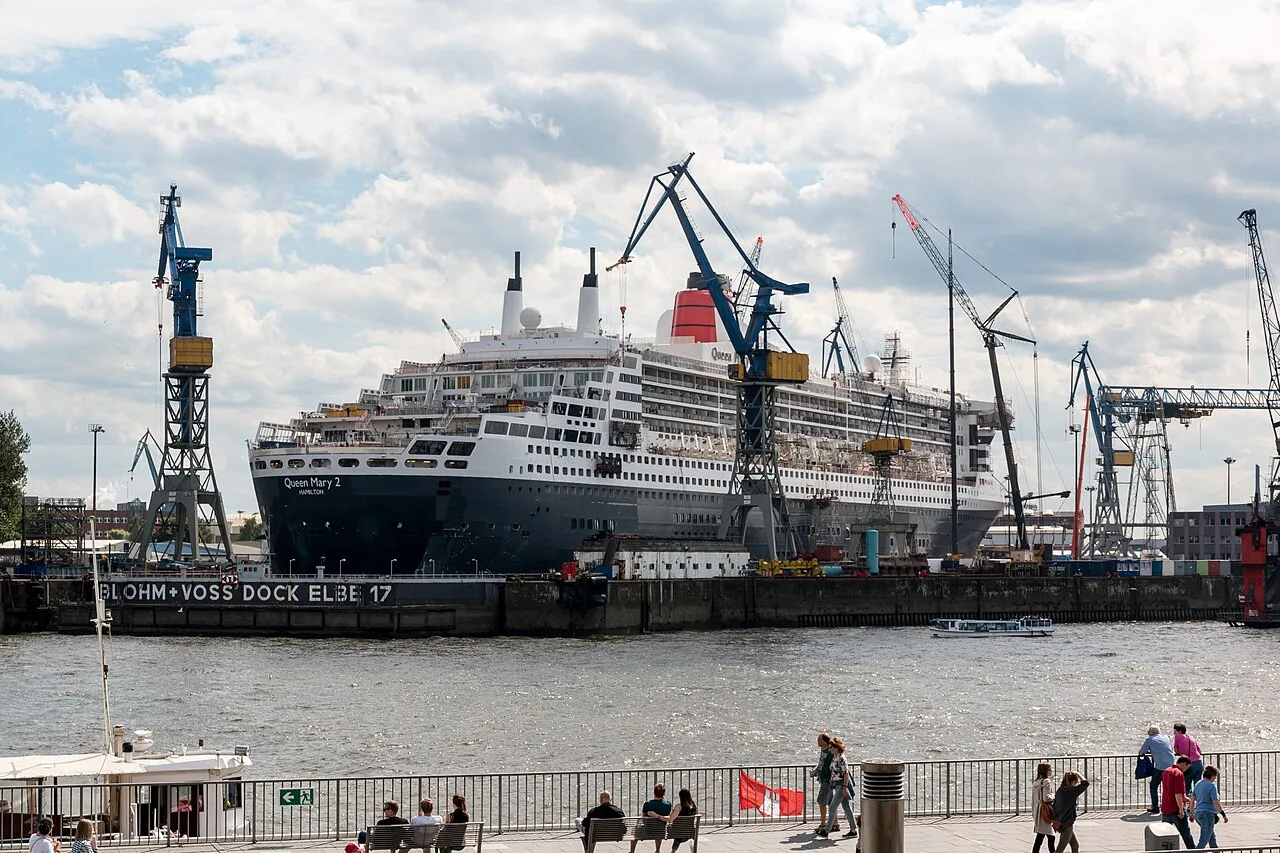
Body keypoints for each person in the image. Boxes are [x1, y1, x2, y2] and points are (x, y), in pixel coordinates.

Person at [820, 736, 858, 839]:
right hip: (837, 785)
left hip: (841, 785)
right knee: (847, 807)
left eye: (831, 746)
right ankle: (853, 829)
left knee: (832, 807)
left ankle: (826, 830)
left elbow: (845, 774)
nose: (830, 748)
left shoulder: (841, 758)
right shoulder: (835, 757)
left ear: (837, 747)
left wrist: (845, 787)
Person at [1160, 756, 1196, 849]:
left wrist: (1185, 798)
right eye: (1187, 767)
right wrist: (1181, 809)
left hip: (1166, 807)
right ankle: (1193, 851)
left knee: (1165, 835)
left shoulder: (1166, 771)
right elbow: (1178, 793)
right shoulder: (1178, 774)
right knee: (1186, 835)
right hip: (1175, 809)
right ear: (1184, 763)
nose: (1186, 770)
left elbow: (1169, 790)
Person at [1141, 725, 1177, 813]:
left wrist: (1150, 751)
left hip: (1161, 767)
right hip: (1172, 765)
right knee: (1170, 787)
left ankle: (1155, 807)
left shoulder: (1150, 740)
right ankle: (1172, 806)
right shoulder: (1166, 737)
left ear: (1151, 732)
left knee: (1153, 786)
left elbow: (1142, 752)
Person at [1051, 771, 1089, 853]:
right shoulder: (1071, 791)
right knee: (1059, 850)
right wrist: (1079, 774)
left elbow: (1055, 805)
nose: (1076, 784)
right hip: (1067, 823)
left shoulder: (1060, 790)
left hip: (1060, 821)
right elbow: (1085, 783)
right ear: (1073, 781)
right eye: (1076, 782)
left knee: (1075, 846)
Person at [810, 732, 839, 834]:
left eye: (819, 739)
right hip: (823, 779)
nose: (818, 741)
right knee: (831, 803)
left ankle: (823, 824)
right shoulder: (823, 750)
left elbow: (834, 765)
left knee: (821, 802)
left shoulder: (830, 752)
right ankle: (835, 824)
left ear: (824, 741)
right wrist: (816, 770)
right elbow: (822, 763)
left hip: (828, 780)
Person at [631, 782, 671, 853]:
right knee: (659, 828)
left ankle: (632, 851)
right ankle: (658, 850)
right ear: (664, 793)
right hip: (661, 831)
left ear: (654, 792)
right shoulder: (668, 805)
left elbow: (643, 820)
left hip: (648, 831)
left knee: (634, 829)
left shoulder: (647, 804)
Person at [1192, 765, 1226, 850]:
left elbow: (1192, 800)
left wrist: (1192, 813)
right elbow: (1215, 802)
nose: (1215, 779)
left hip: (1198, 814)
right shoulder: (1211, 786)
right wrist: (1223, 814)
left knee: (1211, 838)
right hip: (1208, 815)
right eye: (1215, 777)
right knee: (1203, 840)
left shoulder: (1198, 784)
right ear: (1212, 776)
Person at [1031, 762, 1057, 853]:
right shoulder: (1046, 781)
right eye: (1050, 769)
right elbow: (1046, 798)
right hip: (1044, 811)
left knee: (1041, 836)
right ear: (1045, 770)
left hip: (1038, 811)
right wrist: (1054, 796)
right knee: (1050, 836)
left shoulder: (1036, 782)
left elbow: (1034, 799)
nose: (1051, 771)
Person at [1173, 724, 1205, 789]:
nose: (1174, 733)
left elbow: (1176, 750)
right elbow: (1199, 750)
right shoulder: (1191, 737)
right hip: (1199, 762)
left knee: (1187, 785)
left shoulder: (1178, 736)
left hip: (1189, 764)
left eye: (1175, 731)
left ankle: (1188, 799)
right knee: (1198, 786)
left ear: (1180, 731)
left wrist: (1181, 753)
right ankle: (1199, 799)